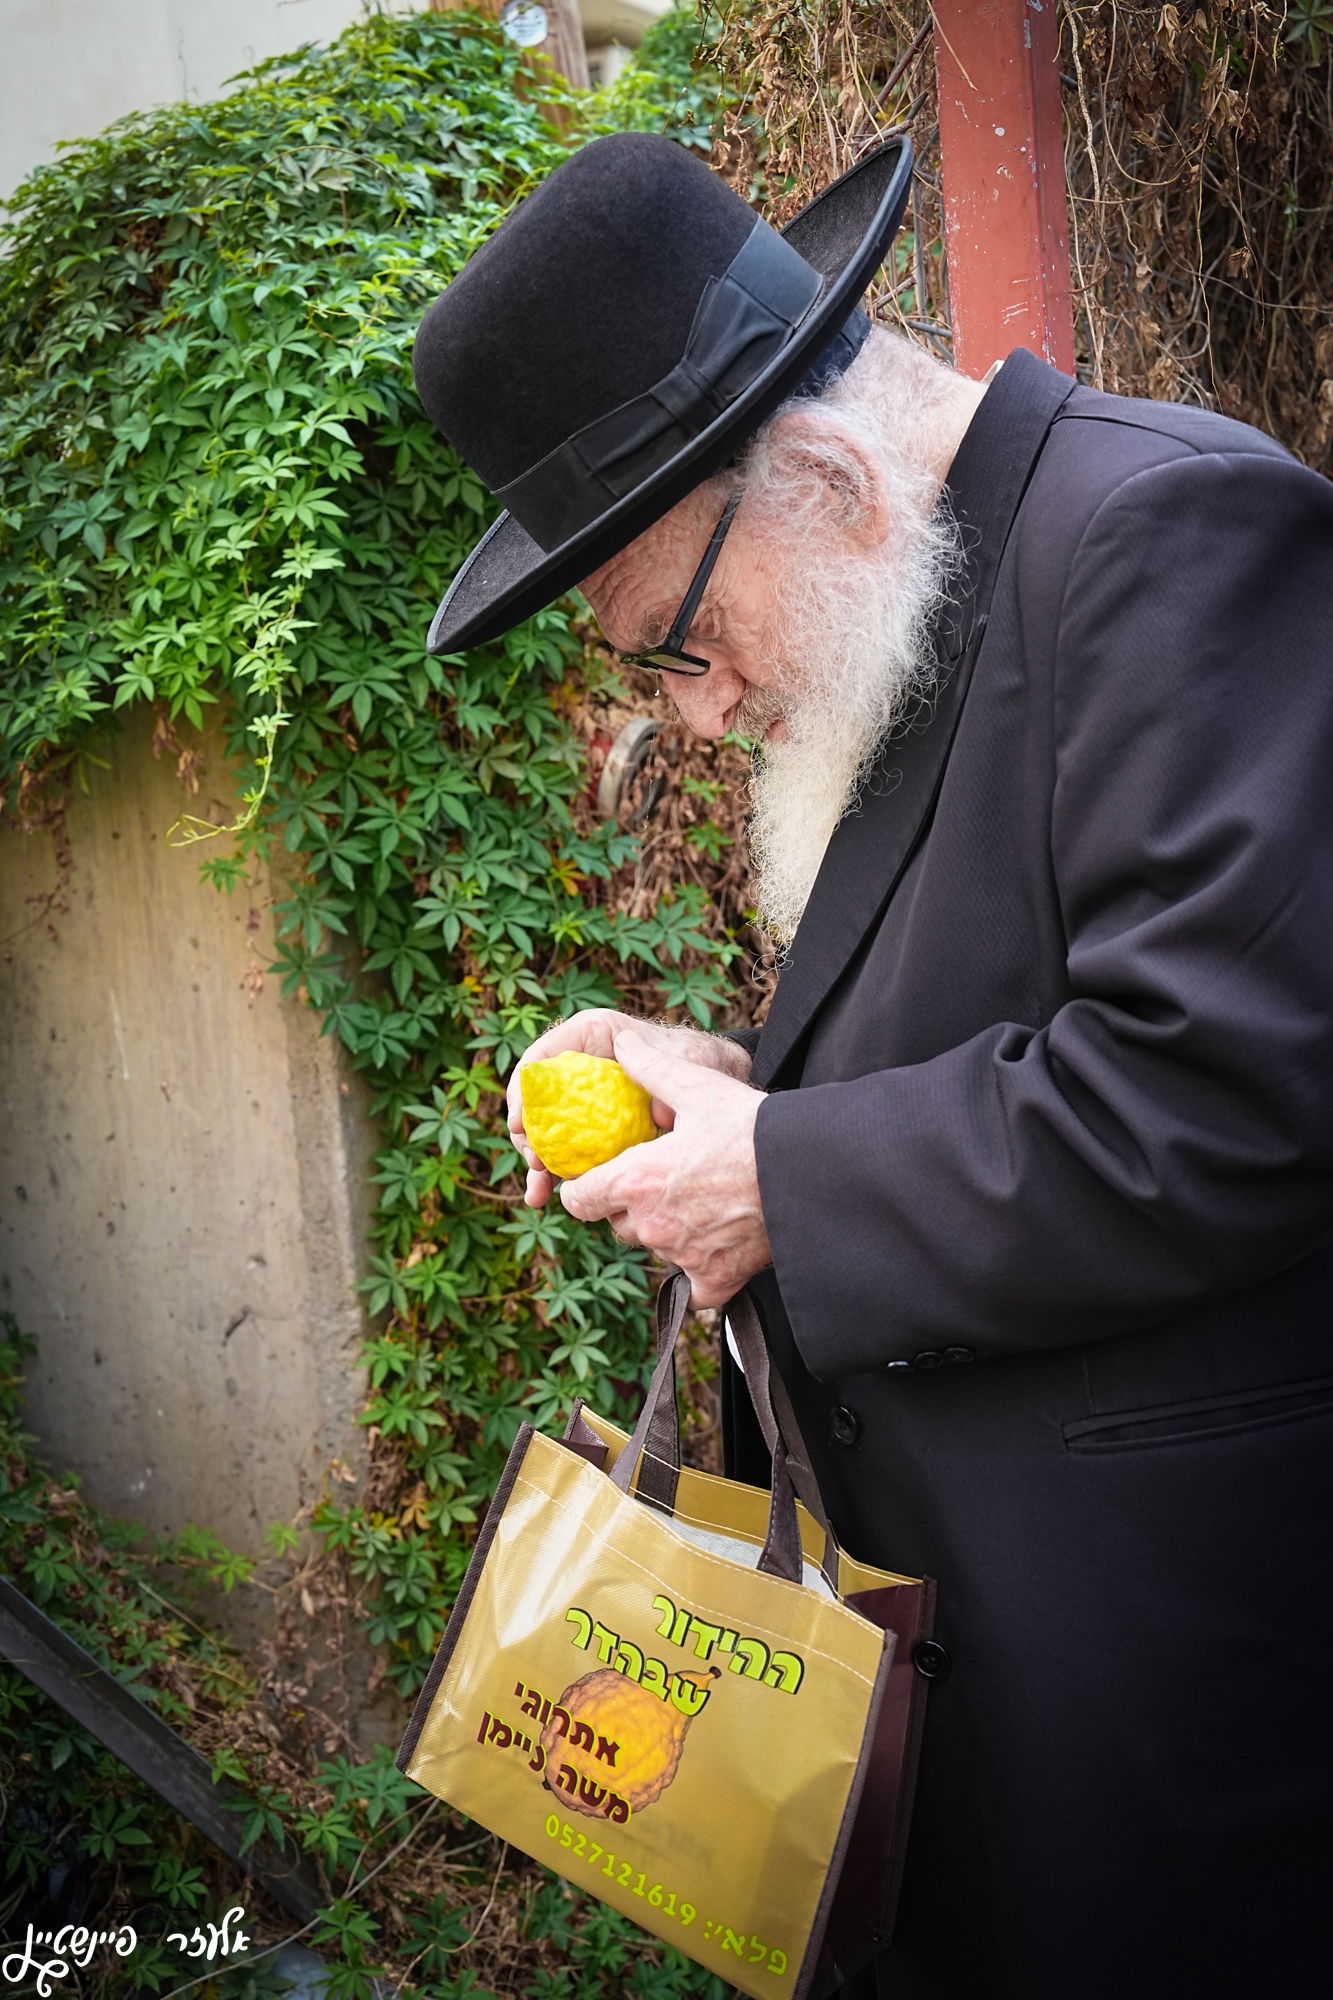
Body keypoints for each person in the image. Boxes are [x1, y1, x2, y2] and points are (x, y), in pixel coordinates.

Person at [411, 132, 1333, 1998]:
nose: (697, 710)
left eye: (671, 645)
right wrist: (737, 1080)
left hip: (1167, 1707)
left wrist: (784, 1181)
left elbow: (1239, 1086)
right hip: (975, 1681)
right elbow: (992, 1017)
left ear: (818, 474)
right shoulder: (916, 594)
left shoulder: (1169, 532)